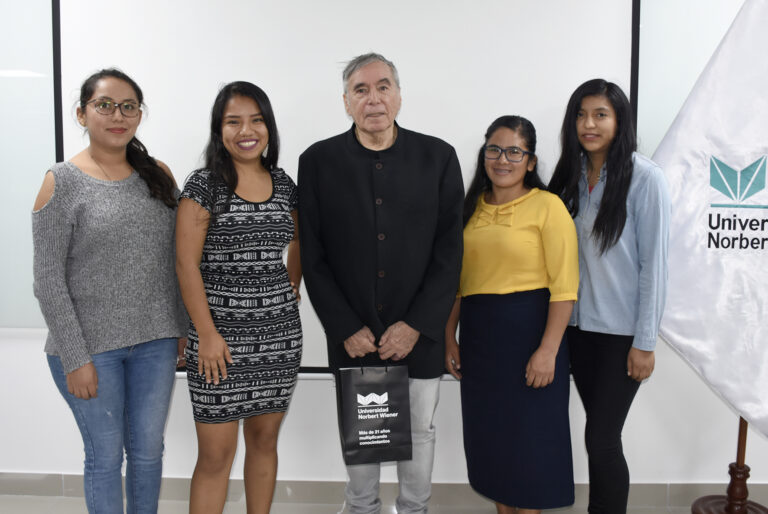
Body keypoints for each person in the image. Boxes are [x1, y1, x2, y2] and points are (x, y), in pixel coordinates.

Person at [298, 53, 464, 514]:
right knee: (361, 427)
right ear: (347, 102)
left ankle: (415, 509)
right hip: (353, 335)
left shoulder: (438, 157)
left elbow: (450, 253)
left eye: (383, 86)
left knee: (420, 429)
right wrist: (343, 326)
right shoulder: (317, 161)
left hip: (420, 332)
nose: (374, 98)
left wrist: (416, 324)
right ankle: (362, 507)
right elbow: (314, 255)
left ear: (399, 94)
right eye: (361, 89)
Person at [32, 68, 187, 514]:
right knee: (105, 457)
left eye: (128, 106)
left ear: (139, 115)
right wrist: (75, 358)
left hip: (156, 342)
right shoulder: (61, 181)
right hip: (89, 348)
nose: (117, 115)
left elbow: (174, 260)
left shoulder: (157, 174)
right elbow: (47, 281)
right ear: (82, 113)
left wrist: (181, 326)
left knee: (147, 453)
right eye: (104, 105)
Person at [175, 81, 302, 514]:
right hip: (219, 345)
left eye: (256, 119)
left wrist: (291, 284)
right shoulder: (204, 185)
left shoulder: (284, 183)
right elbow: (185, 265)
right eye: (233, 121)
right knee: (216, 457)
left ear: (268, 126)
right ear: (219, 129)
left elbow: (300, 241)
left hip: (278, 340)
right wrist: (206, 335)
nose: (246, 130)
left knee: (264, 443)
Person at [444, 116, 578, 514]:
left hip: (531, 338)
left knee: (530, 450)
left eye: (514, 151)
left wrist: (547, 351)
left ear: (531, 161)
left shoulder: (548, 207)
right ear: (484, 154)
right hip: (481, 341)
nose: (503, 159)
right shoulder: (469, 210)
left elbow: (565, 287)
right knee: (495, 447)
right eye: (494, 150)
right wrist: (450, 336)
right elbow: (457, 284)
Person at [548, 79, 670, 514]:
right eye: (581, 114)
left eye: (600, 114)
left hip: (621, 337)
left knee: (601, 439)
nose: (588, 124)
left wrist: (645, 342)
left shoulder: (646, 179)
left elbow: (654, 267)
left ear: (620, 121)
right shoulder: (570, 176)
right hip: (576, 331)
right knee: (596, 439)